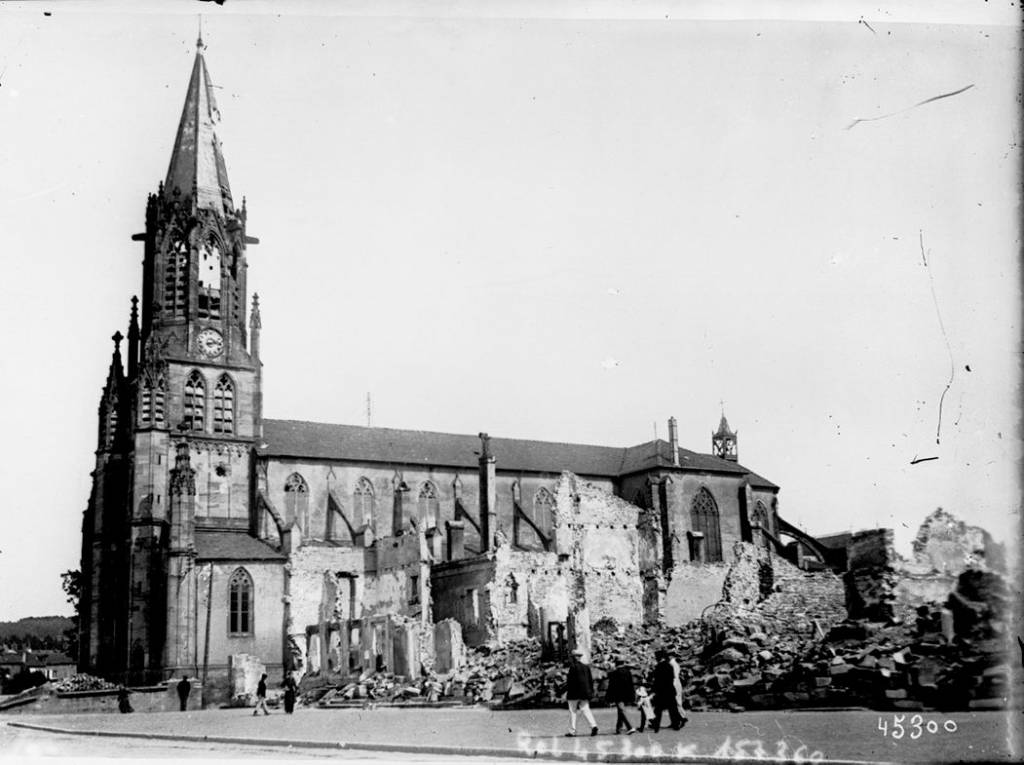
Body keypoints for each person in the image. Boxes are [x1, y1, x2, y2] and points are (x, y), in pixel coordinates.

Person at [564, 647, 598, 737]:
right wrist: (591, 691)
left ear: (574, 657)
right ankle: (593, 725)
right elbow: (590, 680)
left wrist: (566, 692)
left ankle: (572, 730)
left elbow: (570, 682)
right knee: (586, 709)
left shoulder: (572, 667)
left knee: (573, 711)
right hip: (585, 692)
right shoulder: (586, 667)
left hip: (574, 693)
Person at [649, 649, 684, 732]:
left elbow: (657, 681)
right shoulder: (669, 666)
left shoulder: (658, 667)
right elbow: (672, 678)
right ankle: (676, 725)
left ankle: (656, 726)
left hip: (661, 691)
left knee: (658, 710)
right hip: (670, 690)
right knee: (673, 709)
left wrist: (653, 690)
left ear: (658, 657)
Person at [605, 655, 637, 735]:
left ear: (616, 663)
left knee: (621, 710)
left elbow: (611, 686)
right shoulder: (628, 672)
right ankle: (618, 728)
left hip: (618, 695)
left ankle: (630, 727)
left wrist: (608, 697)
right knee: (620, 711)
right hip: (627, 694)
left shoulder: (614, 673)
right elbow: (631, 685)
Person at [668, 654, 689, 726]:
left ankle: (681, 718)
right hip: (677, 683)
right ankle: (680, 718)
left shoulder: (672, 664)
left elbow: (673, 676)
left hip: (674, 683)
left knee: (675, 702)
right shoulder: (675, 664)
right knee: (677, 702)